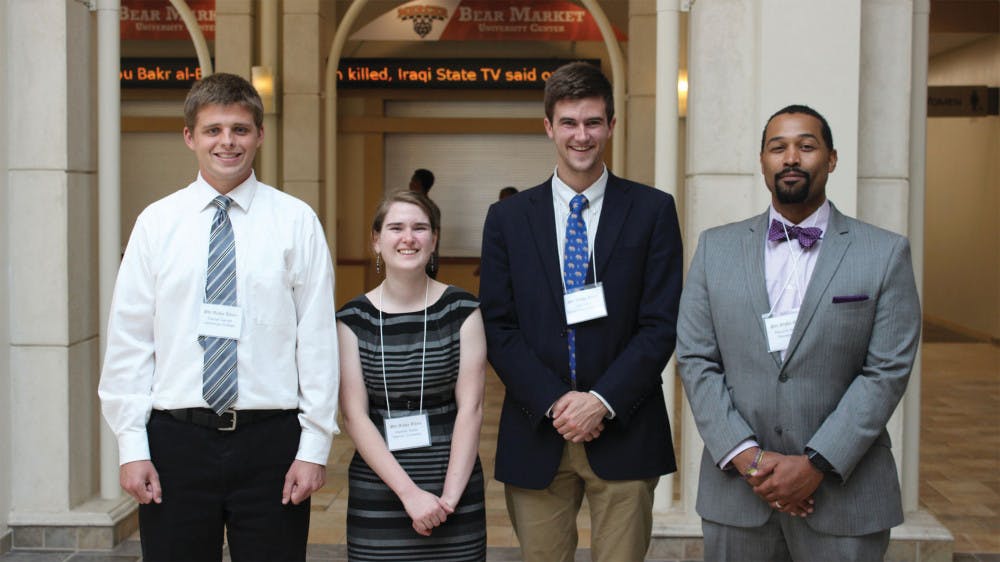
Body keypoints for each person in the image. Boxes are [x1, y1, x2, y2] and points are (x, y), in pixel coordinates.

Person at [98, 73, 339, 561]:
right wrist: (131, 445)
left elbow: (316, 341)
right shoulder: (157, 224)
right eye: (213, 130)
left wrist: (313, 446)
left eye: (240, 129)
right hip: (175, 443)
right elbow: (130, 339)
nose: (227, 142)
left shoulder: (296, 222)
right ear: (190, 137)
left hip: (271, 442)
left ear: (260, 135)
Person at [676, 104, 921, 561]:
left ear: (831, 159)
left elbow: (886, 371)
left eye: (806, 146)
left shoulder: (885, 253)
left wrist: (816, 463)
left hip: (845, 496)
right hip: (738, 495)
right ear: (763, 161)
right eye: (778, 147)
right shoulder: (715, 248)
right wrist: (749, 458)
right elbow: (695, 359)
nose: (791, 158)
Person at [479, 61, 683, 562]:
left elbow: (660, 325)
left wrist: (599, 400)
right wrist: (556, 401)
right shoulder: (507, 219)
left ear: (611, 126)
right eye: (569, 122)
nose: (581, 135)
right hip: (537, 429)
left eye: (593, 122)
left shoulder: (653, 211)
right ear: (548, 127)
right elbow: (499, 327)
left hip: (625, 425)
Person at [337, 190, 487, 560]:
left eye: (420, 228)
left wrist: (447, 500)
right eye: (396, 228)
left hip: (452, 482)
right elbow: (354, 416)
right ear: (376, 240)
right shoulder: (352, 319)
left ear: (434, 240)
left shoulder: (462, 310)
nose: (408, 238)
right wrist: (410, 495)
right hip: (380, 487)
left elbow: (472, 409)